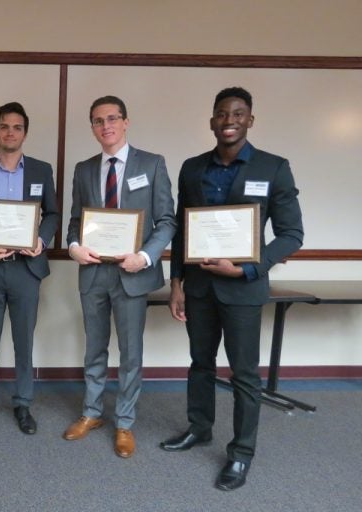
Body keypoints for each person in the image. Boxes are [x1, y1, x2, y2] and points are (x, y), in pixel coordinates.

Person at [160, 87, 304, 491]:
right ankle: (199, 428)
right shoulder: (192, 168)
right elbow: (182, 231)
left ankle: (241, 454)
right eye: (222, 114)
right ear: (211, 121)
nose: (229, 121)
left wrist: (247, 269)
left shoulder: (273, 168)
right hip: (200, 288)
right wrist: (176, 284)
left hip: (243, 290)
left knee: (244, 375)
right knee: (200, 363)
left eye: (238, 114)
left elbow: (292, 234)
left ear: (250, 120)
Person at [64, 96, 176, 457]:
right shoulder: (83, 169)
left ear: (126, 122)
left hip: (132, 274)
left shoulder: (153, 163)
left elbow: (166, 220)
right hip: (94, 272)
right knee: (94, 347)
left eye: (112, 118)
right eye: (98, 120)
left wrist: (145, 256)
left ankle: (124, 423)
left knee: (130, 353)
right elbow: (74, 222)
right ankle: (92, 413)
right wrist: (73, 246)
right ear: (93, 127)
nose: (106, 125)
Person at [0, 102, 60, 434]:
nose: (10, 132)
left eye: (17, 127)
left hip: (26, 268)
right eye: (4, 126)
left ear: (25, 133)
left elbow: (53, 214)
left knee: (24, 340)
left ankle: (23, 404)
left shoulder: (41, 170)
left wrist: (42, 241)